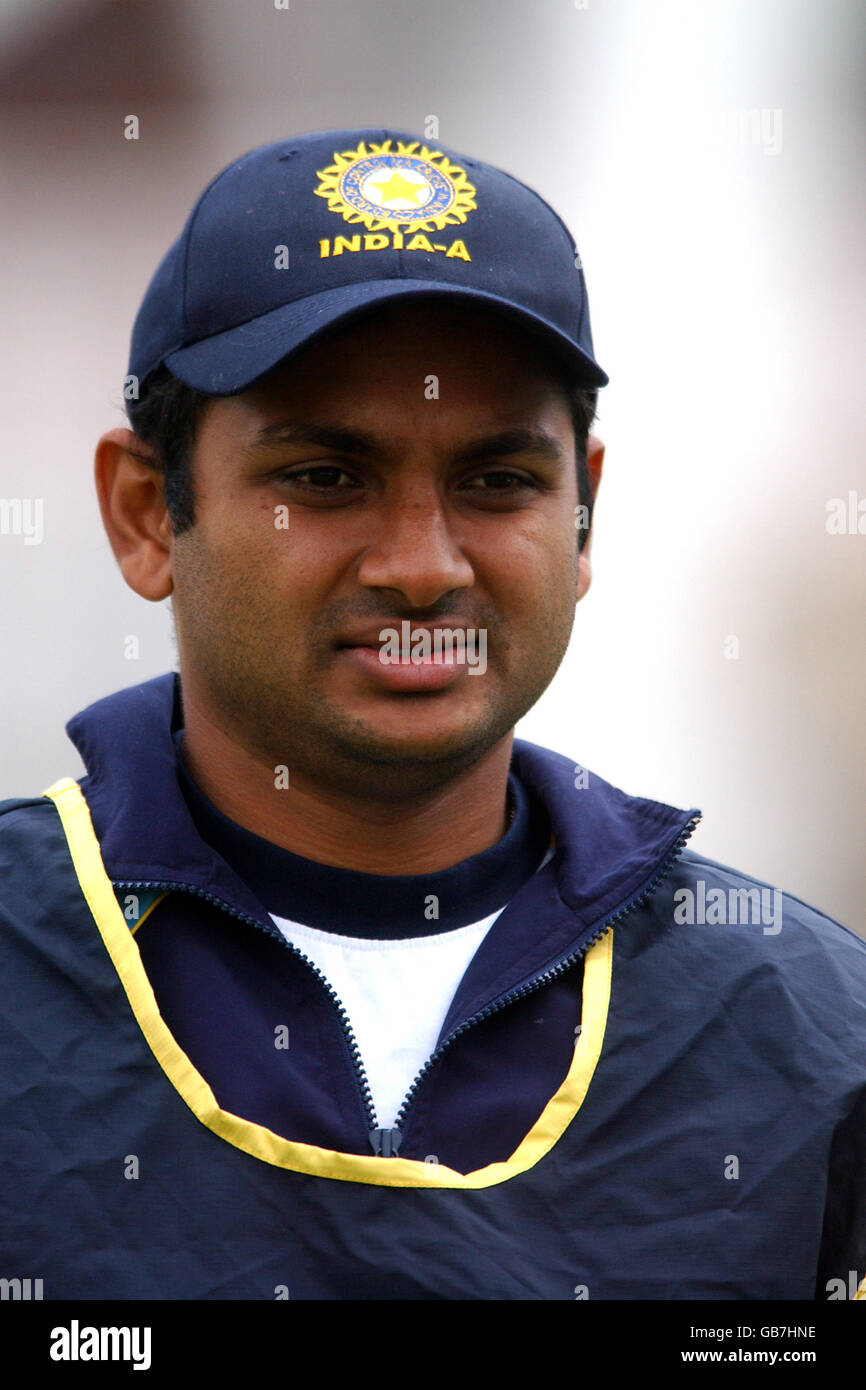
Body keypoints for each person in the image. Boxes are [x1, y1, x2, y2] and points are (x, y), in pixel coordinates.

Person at [1, 127, 864, 1302]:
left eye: (497, 481)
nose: (420, 564)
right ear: (150, 513)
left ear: (583, 519)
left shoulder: (811, 1033)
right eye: (324, 477)